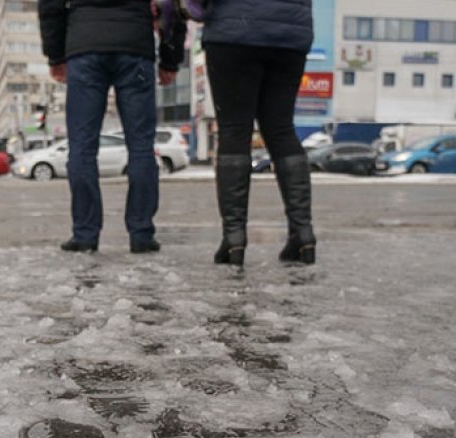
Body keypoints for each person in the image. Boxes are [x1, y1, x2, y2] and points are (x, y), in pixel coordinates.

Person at [38, 0, 186, 254]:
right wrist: (170, 60)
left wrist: (55, 55)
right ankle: (141, 234)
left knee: (82, 146)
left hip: (84, 49)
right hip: (135, 47)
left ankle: (85, 234)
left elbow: (51, 6)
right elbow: (171, 5)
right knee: (141, 146)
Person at [203, 0, 317, 266]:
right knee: (282, 129)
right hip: (290, 32)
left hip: (233, 28)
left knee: (234, 130)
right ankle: (303, 233)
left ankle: (234, 237)